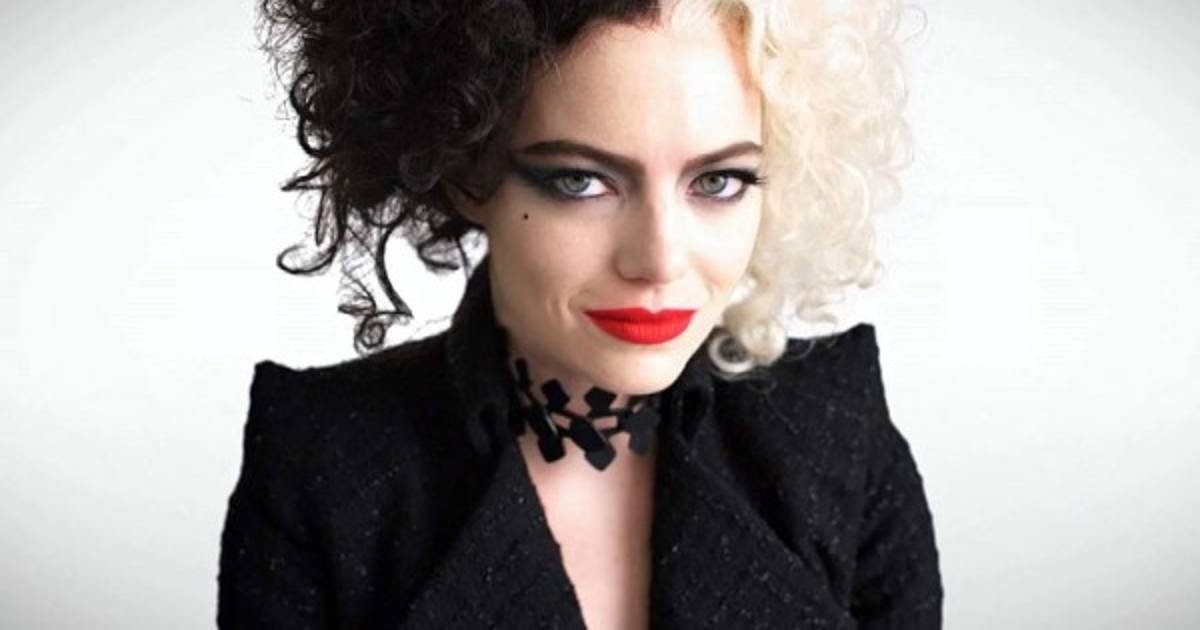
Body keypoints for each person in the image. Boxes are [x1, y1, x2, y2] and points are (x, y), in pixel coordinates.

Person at [218, 0, 942, 628]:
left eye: (719, 181)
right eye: (581, 181)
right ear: (469, 173)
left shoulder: (837, 434)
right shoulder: (323, 465)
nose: (660, 259)